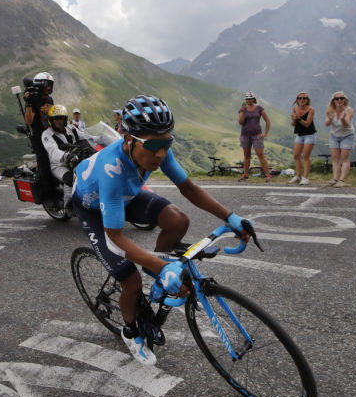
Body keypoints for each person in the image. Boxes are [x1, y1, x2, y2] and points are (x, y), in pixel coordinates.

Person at [71, 95, 253, 365]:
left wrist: (231, 217)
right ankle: (130, 330)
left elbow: (188, 188)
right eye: (153, 144)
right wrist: (161, 266)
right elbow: (116, 236)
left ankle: (155, 270)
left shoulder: (159, 151)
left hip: (126, 196)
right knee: (130, 281)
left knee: (177, 220)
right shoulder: (111, 169)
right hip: (95, 207)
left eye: (167, 143)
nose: (160, 153)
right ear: (128, 139)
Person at [42, 105, 85, 207]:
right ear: (51, 120)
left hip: (76, 159)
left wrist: (101, 139)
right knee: (70, 178)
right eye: (56, 119)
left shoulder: (71, 128)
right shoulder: (47, 134)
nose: (59, 121)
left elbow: (86, 136)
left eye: (62, 118)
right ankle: (69, 205)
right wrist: (66, 156)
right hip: (60, 164)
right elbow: (53, 150)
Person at [24, 72, 55, 195]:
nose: (48, 88)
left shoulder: (50, 99)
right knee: (44, 163)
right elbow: (28, 121)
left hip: (51, 134)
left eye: (50, 85)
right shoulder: (33, 98)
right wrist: (29, 103)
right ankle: (50, 194)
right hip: (39, 137)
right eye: (46, 85)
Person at [237, 91, 272, 182]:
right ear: (246, 100)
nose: (249, 100)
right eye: (247, 99)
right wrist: (243, 111)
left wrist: (265, 133)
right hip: (245, 135)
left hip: (257, 134)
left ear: (254, 99)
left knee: (260, 154)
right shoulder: (242, 109)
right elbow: (240, 122)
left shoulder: (259, 108)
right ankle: (245, 175)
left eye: (250, 99)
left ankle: (268, 175)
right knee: (246, 155)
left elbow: (267, 120)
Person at [325, 91, 355, 187]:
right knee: (335, 158)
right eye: (337, 99)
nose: (339, 100)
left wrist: (342, 118)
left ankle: (341, 180)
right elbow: (327, 124)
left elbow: (346, 125)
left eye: (341, 98)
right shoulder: (331, 110)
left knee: (345, 158)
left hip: (347, 135)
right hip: (334, 135)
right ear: (333, 101)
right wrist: (329, 118)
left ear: (344, 100)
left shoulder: (349, 110)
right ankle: (335, 178)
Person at [289, 91, 317, 185]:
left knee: (306, 156)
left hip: (310, 134)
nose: (302, 100)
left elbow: (307, 124)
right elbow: (293, 124)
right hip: (299, 135)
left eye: (304, 98)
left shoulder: (311, 110)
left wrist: (298, 118)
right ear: (297, 100)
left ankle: (305, 178)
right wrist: (293, 119)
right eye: (300, 98)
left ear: (307, 100)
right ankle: (298, 176)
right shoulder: (294, 109)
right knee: (296, 155)